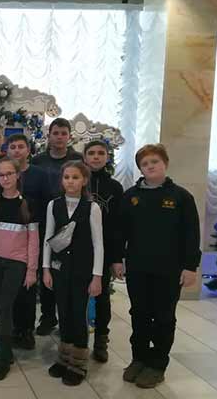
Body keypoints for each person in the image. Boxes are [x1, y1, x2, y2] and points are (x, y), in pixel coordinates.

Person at [120, 144, 200, 389]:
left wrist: (190, 266)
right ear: (140, 169)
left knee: (164, 317)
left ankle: (157, 365)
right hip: (138, 268)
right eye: (145, 164)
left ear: (165, 163)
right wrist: (116, 259)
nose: (150, 166)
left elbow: (191, 234)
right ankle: (139, 358)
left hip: (169, 270)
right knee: (139, 314)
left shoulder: (181, 197)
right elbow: (120, 231)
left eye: (154, 161)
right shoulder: (130, 196)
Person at [0, 157, 39, 381]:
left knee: (4, 307)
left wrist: (31, 270)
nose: (5, 178)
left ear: (17, 175)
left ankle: (3, 358)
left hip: (17, 263)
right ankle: (4, 351)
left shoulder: (27, 204)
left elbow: (33, 240)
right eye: (1, 175)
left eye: (9, 174)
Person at [43, 161, 103, 386]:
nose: (70, 181)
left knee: (78, 315)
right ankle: (64, 357)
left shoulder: (92, 208)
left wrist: (97, 276)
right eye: (66, 177)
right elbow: (48, 238)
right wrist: (46, 269)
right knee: (64, 313)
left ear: (84, 180)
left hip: (82, 270)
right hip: (59, 269)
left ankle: (78, 363)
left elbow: (98, 244)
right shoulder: (54, 205)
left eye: (75, 177)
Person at [32, 118, 83, 336]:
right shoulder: (38, 160)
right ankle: (47, 316)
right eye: (56, 133)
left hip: (71, 221)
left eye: (63, 133)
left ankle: (67, 319)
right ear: (49, 135)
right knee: (47, 268)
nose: (59, 137)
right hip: (45, 222)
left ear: (69, 136)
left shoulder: (77, 160)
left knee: (68, 272)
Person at [82, 140, 124, 363]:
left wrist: (117, 258)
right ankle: (76, 338)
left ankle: (101, 340)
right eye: (91, 153)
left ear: (107, 157)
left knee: (101, 297)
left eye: (101, 153)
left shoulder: (115, 187)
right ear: (84, 157)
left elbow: (118, 226)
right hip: (79, 250)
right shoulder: (77, 181)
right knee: (76, 295)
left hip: (104, 250)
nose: (96, 157)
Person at [6, 133, 48, 349]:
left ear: (28, 150)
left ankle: (27, 330)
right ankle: (13, 328)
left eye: (20, 146)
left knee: (28, 286)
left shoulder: (39, 175)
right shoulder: (5, 173)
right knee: (11, 288)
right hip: (9, 239)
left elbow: (47, 204)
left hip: (32, 237)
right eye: (12, 147)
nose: (16, 150)